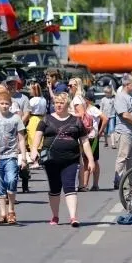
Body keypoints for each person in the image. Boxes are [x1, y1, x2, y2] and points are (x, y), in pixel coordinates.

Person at [30, 93, 95, 227]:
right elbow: (38, 135)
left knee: (70, 186)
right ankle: (55, 216)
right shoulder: (46, 119)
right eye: (56, 103)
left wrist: (91, 159)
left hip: (71, 159)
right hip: (51, 160)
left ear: (67, 105)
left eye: (61, 103)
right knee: (55, 188)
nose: (58, 105)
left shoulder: (76, 121)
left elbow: (84, 141)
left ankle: (73, 217)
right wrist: (34, 150)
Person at [0, 91, 28, 225]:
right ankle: (2, 213)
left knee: (12, 180)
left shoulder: (16, 118)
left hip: (11, 155)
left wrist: (23, 157)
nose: (4, 106)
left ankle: (11, 210)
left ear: (10, 105)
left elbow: (21, 138)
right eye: (2, 103)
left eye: (7, 104)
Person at [112, 74, 132, 189]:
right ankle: (118, 180)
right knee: (123, 157)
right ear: (126, 84)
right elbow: (124, 114)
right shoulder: (121, 97)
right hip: (125, 131)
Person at [79, 89, 107, 191]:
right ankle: (85, 184)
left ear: (87, 100)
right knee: (85, 160)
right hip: (84, 138)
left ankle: (94, 184)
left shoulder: (93, 109)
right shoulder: (82, 109)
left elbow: (105, 118)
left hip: (92, 138)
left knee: (93, 160)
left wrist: (100, 132)